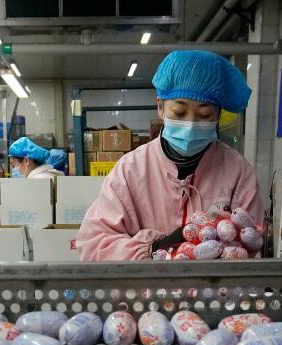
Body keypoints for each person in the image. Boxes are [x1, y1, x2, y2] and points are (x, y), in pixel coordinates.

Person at [77, 50, 262, 261]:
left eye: (204, 115)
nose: (191, 124)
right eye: (180, 113)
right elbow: (93, 245)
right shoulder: (131, 170)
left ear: (218, 115)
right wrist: (154, 248)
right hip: (149, 282)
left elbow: (255, 242)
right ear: (160, 107)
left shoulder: (238, 172)